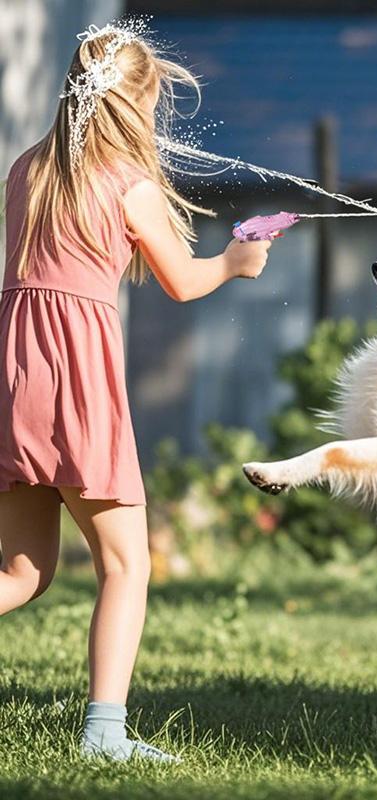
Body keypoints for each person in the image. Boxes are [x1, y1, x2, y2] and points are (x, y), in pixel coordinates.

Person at [0, 23, 271, 760]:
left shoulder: (25, 170)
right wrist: (239, 262)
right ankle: (104, 735)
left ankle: (106, 733)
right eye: (152, 107)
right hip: (78, 382)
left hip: (16, 378)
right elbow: (185, 283)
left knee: (21, 573)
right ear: (134, 107)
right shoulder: (131, 183)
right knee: (127, 565)